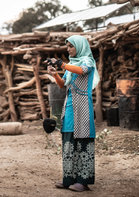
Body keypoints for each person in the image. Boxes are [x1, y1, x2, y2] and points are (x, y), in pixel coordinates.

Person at [48, 35, 100, 192]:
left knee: (83, 141)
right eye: (67, 46)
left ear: (80, 46)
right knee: (69, 141)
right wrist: (55, 73)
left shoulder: (87, 61)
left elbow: (82, 70)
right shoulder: (70, 65)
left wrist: (62, 64)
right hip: (69, 108)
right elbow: (63, 84)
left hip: (83, 107)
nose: (68, 49)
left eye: (71, 46)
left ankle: (83, 181)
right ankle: (68, 178)